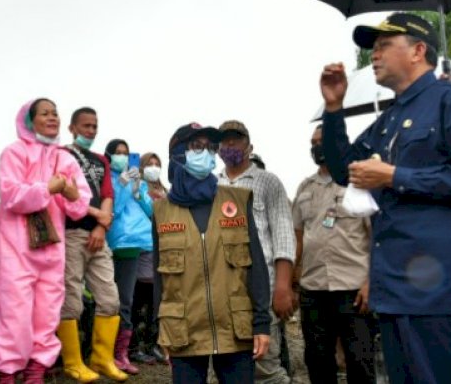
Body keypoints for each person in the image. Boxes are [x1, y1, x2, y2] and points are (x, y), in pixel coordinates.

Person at [319, 13, 451, 384]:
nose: (374, 54)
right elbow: (344, 170)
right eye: (373, 47)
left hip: (444, 293)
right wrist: (334, 109)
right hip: (397, 290)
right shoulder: (390, 117)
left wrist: (395, 175)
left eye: (385, 45)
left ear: (418, 50)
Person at [153, 122, 271, 383]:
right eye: (197, 146)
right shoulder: (161, 212)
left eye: (210, 148)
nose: (206, 153)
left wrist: (262, 324)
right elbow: (158, 279)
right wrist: (158, 330)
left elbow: (257, 268)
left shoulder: (237, 200)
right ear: (179, 154)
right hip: (182, 331)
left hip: (235, 330)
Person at [0, 98, 91, 383]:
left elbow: (81, 204)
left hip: (52, 250)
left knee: (47, 312)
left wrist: (69, 194)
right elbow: (10, 195)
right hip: (16, 248)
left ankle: (37, 368)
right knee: (13, 312)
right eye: (44, 113)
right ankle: (8, 370)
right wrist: (48, 188)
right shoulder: (14, 152)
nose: (52, 118)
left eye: (55, 113)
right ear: (29, 121)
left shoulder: (66, 158)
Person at [293, 124, 375, 383]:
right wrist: (294, 282)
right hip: (313, 290)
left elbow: (376, 238)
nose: (317, 146)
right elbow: (298, 237)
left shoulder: (359, 184)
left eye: (322, 140)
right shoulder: (305, 188)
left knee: (359, 363)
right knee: (318, 363)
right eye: (313, 142)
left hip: (352, 290)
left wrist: (370, 282)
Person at [216, 120, 295, 384]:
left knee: (265, 368)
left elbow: (284, 237)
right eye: (224, 140)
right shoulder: (212, 186)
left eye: (236, 140)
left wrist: (283, 287)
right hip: (223, 292)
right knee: (228, 366)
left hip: (261, 290)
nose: (230, 145)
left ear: (249, 146)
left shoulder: (268, 182)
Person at [58, 106, 128, 382]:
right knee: (71, 299)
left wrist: (101, 225)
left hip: (99, 236)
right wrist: (98, 214)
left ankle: (102, 359)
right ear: (73, 128)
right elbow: (63, 191)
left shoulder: (101, 160)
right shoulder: (62, 155)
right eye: (86, 126)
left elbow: (108, 193)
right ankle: (72, 362)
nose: (91, 130)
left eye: (94, 126)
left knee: (110, 298)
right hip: (71, 233)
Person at [104, 138, 154, 375]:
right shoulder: (108, 180)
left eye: (126, 153)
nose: (123, 157)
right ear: (109, 155)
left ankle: (120, 353)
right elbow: (114, 210)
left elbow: (151, 211)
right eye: (118, 153)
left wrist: (138, 192)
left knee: (126, 300)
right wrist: (123, 187)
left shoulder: (136, 181)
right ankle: (105, 353)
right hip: (115, 244)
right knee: (110, 300)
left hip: (136, 245)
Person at [129, 152, 168, 365]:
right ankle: (135, 347)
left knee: (157, 302)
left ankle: (153, 345)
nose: (154, 167)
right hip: (145, 247)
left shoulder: (164, 189)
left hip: (163, 248)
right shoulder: (139, 187)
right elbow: (152, 211)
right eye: (149, 164)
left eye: (157, 163)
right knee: (140, 298)